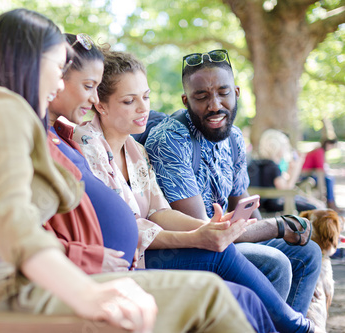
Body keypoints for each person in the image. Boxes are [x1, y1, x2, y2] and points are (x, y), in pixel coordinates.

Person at [0, 9, 255, 333]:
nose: (60, 79)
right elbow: (12, 221)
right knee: (210, 295)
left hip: (12, 281)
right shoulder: (2, 108)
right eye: (58, 66)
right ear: (30, 61)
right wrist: (87, 293)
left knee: (213, 293)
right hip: (2, 290)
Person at [45, 34, 276, 332]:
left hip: (140, 255)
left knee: (269, 265)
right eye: (130, 101)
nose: (144, 109)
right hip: (126, 262)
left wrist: (203, 227)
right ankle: (295, 327)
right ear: (99, 104)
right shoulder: (85, 145)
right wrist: (196, 237)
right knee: (229, 262)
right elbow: (128, 223)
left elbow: (158, 211)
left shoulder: (136, 150)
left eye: (146, 96)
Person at [144, 49, 321, 316]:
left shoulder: (235, 138)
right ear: (186, 100)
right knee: (273, 262)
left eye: (223, 93)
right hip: (190, 247)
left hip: (226, 240)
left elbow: (245, 205)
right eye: (201, 97)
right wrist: (277, 226)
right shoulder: (170, 141)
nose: (214, 105)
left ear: (236, 92)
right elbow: (207, 231)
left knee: (308, 253)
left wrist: (271, 231)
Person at [248, 129, 321, 212]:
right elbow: (286, 190)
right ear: (277, 147)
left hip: (265, 202)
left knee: (311, 203)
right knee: (315, 208)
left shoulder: (263, 163)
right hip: (273, 203)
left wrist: (291, 169)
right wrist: (297, 168)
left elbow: (283, 183)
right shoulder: (273, 167)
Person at [302, 137, 343, 213]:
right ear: (328, 144)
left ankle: (331, 202)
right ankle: (330, 203)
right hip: (306, 175)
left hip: (312, 173)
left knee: (329, 178)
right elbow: (320, 168)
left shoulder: (320, 151)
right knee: (329, 179)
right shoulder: (319, 151)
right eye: (332, 146)